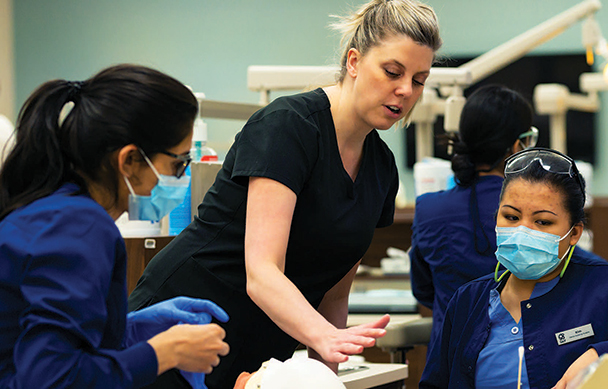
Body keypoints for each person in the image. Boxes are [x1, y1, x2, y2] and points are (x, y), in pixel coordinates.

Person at [128, 0, 442, 387]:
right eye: (392, 71)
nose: (405, 90)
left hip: (258, 351)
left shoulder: (380, 168)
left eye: (419, 80)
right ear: (354, 62)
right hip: (185, 326)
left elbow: (334, 298)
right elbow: (261, 273)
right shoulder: (288, 126)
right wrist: (323, 336)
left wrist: (325, 378)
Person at [0, 64, 231, 388]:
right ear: (129, 161)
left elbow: (39, 338)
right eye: (177, 164)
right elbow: (50, 379)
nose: (180, 178)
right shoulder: (80, 227)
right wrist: (165, 353)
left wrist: (126, 330)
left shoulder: (53, 210)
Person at [420, 148, 608, 389]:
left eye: (543, 222)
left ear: (574, 233)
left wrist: (601, 354)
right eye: (510, 217)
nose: (523, 231)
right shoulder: (467, 302)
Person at [409, 84, 537, 346]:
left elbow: (423, 291)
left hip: (448, 361)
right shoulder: (534, 212)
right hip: (516, 360)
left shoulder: (429, 208)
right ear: (517, 146)